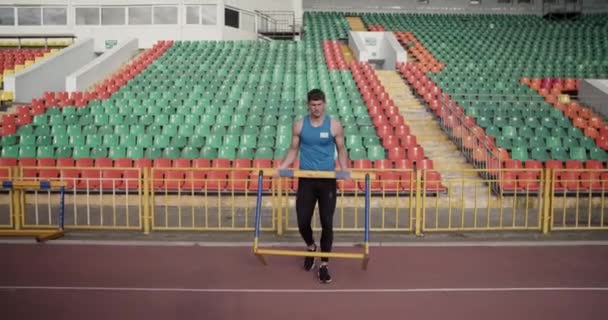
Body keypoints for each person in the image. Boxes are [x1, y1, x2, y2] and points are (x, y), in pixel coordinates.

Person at [276, 88, 350, 284]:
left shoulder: (334, 125)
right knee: (302, 221)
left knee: (327, 222)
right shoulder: (300, 125)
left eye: (319, 104)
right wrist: (282, 167)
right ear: (308, 105)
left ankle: (324, 264)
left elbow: (341, 149)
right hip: (306, 179)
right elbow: (293, 149)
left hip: (327, 181)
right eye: (313, 105)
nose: (316, 108)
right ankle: (310, 247)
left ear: (324, 104)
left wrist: (344, 169)